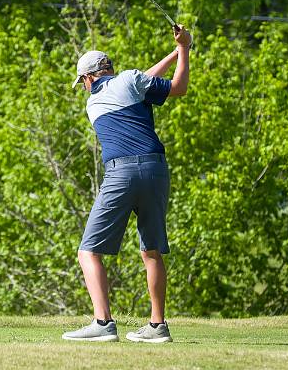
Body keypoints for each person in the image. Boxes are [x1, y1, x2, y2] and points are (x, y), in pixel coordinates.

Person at [62, 25, 191, 343]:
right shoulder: (131, 80)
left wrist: (176, 51)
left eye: (83, 82)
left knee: (88, 251)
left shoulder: (93, 104)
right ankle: (158, 326)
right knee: (151, 251)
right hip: (156, 170)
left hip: (121, 174)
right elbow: (176, 87)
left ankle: (103, 323)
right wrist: (183, 51)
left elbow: (135, 82)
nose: (84, 88)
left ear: (90, 78)